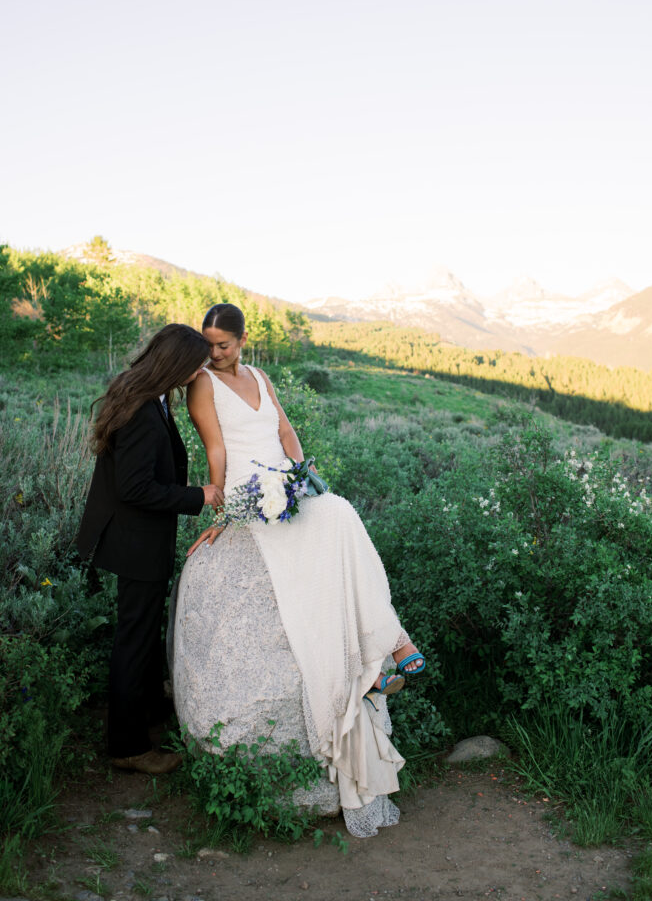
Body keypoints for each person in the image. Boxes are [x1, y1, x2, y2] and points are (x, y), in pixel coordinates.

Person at [184, 303, 425, 837]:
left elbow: (286, 433)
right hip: (251, 497)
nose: (214, 352)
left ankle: (391, 645)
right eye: (208, 343)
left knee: (339, 512)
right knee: (316, 545)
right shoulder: (201, 384)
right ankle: (371, 665)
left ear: (244, 340)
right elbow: (216, 448)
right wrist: (224, 510)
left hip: (285, 487)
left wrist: (299, 473)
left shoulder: (261, 377)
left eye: (223, 343)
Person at [77, 323, 222, 774]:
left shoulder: (146, 394)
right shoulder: (142, 409)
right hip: (135, 541)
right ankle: (128, 748)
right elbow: (136, 488)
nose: (202, 370)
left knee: (138, 633)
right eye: (196, 363)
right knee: (134, 639)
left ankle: (145, 715)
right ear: (175, 363)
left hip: (138, 538)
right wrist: (198, 495)